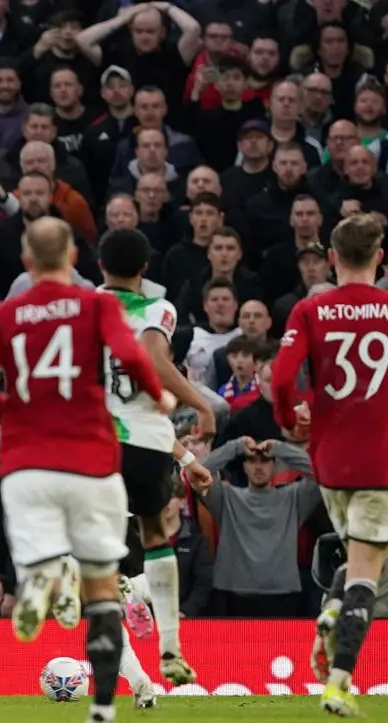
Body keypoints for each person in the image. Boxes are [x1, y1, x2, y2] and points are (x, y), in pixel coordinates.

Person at [0, 217, 170, 723]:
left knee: (47, 551)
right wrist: (161, 397)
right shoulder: (98, 305)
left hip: (27, 460)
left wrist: (12, 407)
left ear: (26, 261)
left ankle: (43, 577)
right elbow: (133, 357)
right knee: (105, 589)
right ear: (75, 257)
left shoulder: (3, 314)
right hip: (91, 458)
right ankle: (103, 708)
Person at [271, 214, 388, 717]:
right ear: (378, 258)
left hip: (329, 459)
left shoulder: (310, 310)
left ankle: (330, 614)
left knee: (355, 556)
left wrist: (292, 419)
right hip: (383, 459)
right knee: (368, 574)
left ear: (332, 256)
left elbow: (283, 378)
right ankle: (338, 680)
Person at [94, 228, 214, 687]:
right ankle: (170, 647)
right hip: (146, 445)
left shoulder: (82, 310)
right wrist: (201, 405)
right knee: (154, 532)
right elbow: (155, 364)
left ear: (100, 266)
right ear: (145, 269)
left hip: (94, 447)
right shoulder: (157, 309)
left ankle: (113, 595)